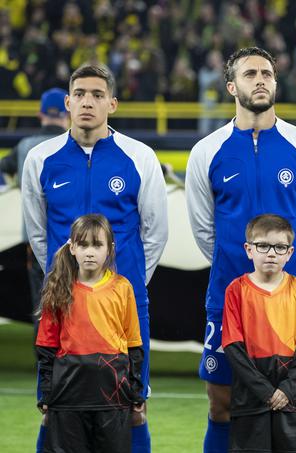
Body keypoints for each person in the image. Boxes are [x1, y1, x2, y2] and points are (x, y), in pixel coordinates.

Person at [185, 47, 296, 453]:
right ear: (232, 86)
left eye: (267, 73)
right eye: (250, 73)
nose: (261, 80)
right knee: (220, 405)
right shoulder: (207, 151)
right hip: (228, 299)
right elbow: (205, 230)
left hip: (292, 303)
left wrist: (289, 269)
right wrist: (243, 272)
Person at [22, 64, 168, 453]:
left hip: (124, 303)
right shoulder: (40, 159)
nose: (88, 101)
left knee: (134, 405)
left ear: (113, 103)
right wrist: (62, 277)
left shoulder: (139, 157)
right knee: (53, 406)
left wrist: (127, 282)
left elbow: (155, 232)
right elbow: (37, 233)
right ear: (68, 102)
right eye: (81, 94)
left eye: (98, 95)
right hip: (64, 302)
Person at [35, 214, 145, 453]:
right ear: (72, 247)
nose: (90, 252)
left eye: (97, 245)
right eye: (83, 245)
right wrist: (46, 393)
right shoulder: (57, 287)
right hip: (68, 396)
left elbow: (134, 345)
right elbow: (46, 348)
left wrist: (136, 391)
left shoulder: (122, 287)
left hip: (112, 397)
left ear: (110, 249)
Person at [222, 214, 296, 453]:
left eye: (279, 247)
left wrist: (286, 389)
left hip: (289, 397)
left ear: (289, 252)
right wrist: (265, 391)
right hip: (250, 399)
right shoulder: (236, 290)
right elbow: (233, 347)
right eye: (263, 246)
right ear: (249, 249)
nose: (271, 253)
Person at [0, 88, 69, 331]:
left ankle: (45, 364)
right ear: (67, 113)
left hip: (34, 239)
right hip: (73, 239)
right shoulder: (77, 144)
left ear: (40, 115)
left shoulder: (25, 146)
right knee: (76, 302)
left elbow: (3, 168)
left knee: (42, 305)